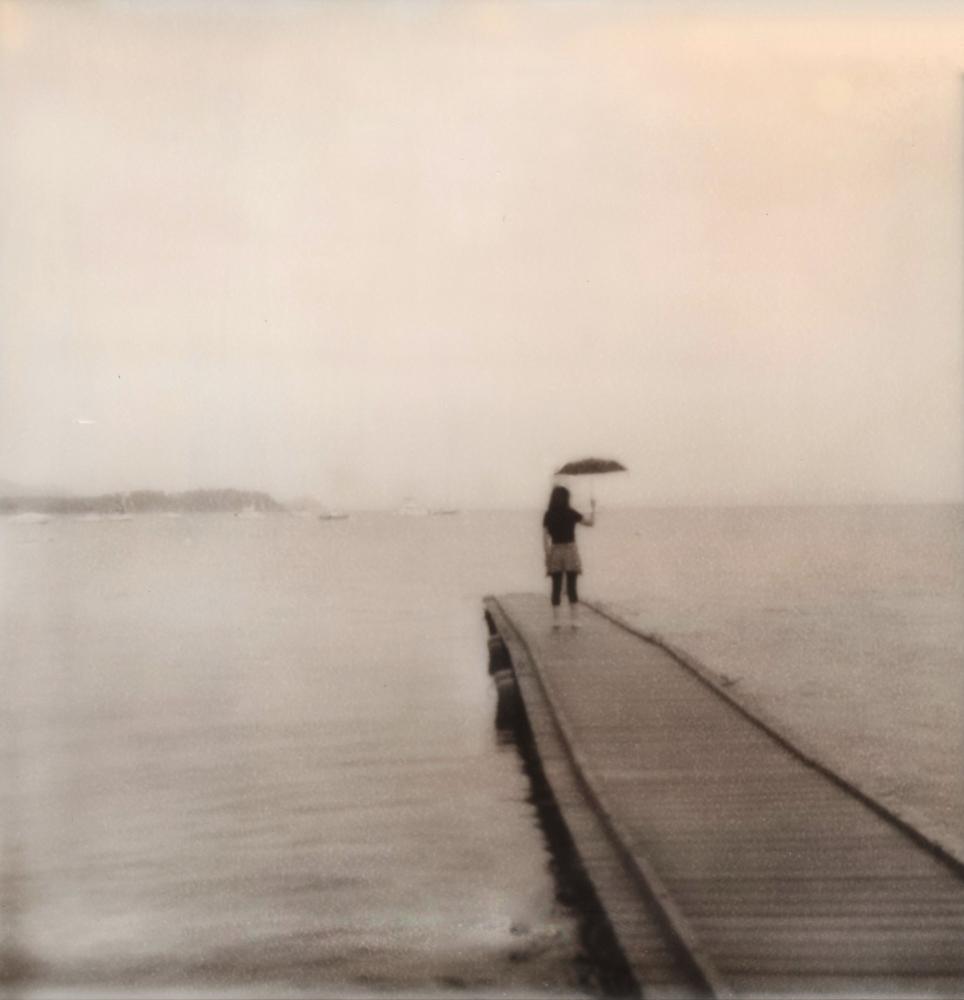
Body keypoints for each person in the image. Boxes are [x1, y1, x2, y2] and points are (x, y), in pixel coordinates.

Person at [542, 485, 595, 628]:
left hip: (555, 550)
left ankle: (556, 621)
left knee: (556, 587)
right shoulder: (570, 512)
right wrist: (593, 508)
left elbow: (545, 539)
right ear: (566, 498)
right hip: (570, 550)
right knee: (572, 586)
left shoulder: (548, 514)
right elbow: (590, 523)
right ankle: (575, 621)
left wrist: (547, 556)